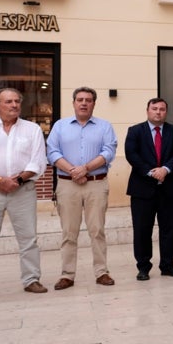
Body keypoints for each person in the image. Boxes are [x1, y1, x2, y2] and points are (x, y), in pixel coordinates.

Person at [0, 88, 48, 300]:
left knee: (28, 239)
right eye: (8, 102)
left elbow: (38, 161)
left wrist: (17, 180)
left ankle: (32, 279)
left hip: (23, 190)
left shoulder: (32, 130)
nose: (14, 105)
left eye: (16, 101)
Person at [47, 86, 118, 289]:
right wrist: (72, 171)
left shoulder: (104, 126)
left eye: (88, 100)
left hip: (96, 183)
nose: (84, 103)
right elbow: (52, 151)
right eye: (80, 99)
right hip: (67, 185)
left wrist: (85, 168)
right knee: (69, 232)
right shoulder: (60, 126)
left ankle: (102, 272)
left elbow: (109, 151)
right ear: (74, 103)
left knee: (97, 230)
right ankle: (67, 275)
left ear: (94, 103)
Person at [125, 98, 173, 281]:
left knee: (168, 229)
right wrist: (151, 172)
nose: (158, 112)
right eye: (154, 109)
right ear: (147, 111)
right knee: (142, 230)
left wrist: (165, 169)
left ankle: (167, 265)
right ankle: (143, 267)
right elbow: (132, 154)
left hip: (169, 188)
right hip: (142, 189)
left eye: (162, 109)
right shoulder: (135, 131)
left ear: (166, 112)